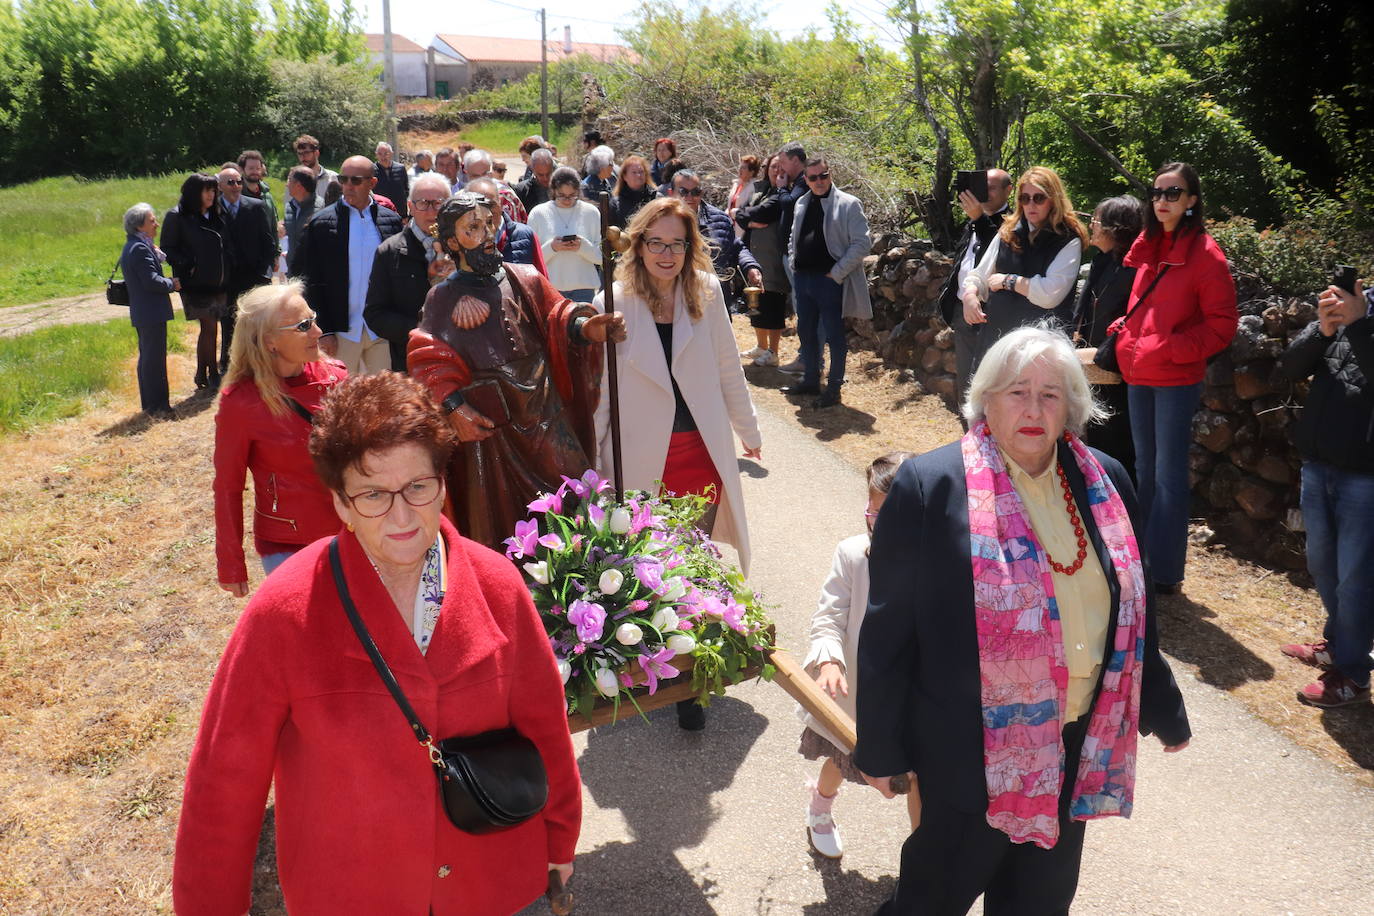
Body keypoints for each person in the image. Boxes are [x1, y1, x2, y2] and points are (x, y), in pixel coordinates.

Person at [174, 371, 582, 915]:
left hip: (494, 886)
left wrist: (559, 842)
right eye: (371, 494)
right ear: (340, 503)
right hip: (352, 895)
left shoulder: (497, 585)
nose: (401, 515)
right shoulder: (283, 612)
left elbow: (545, 727)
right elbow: (223, 782)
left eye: (417, 486)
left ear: (442, 481)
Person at [855, 325, 1192, 916]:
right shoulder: (930, 487)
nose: (1033, 409)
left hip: (1074, 745)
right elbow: (887, 632)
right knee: (931, 901)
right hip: (967, 754)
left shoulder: (1106, 482)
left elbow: (1134, 611)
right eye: (1017, 391)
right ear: (985, 399)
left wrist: (1163, 706)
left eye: (1051, 394)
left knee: (1037, 904)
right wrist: (881, 747)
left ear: (1073, 408)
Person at [591, 197, 763, 732]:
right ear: (638, 245)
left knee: (698, 560)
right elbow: (602, 389)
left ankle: (696, 680)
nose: (667, 254)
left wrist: (748, 430)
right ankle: (662, 662)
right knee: (654, 565)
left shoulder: (706, 294)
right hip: (644, 452)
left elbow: (728, 368)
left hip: (699, 450)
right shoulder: (615, 301)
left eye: (677, 244)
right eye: (656, 242)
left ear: (691, 249)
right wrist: (596, 455)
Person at [407, 191, 623, 550]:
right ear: (451, 242)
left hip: (544, 410)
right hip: (491, 427)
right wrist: (455, 407)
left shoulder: (524, 276)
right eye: (473, 228)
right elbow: (426, 357)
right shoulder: (442, 298)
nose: (488, 233)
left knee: (573, 492)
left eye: (490, 223)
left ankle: (590, 574)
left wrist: (588, 329)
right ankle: (515, 588)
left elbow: (559, 314)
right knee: (499, 514)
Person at [1115, 162, 1237, 594]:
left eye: (1173, 193)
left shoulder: (1205, 254)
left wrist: (1165, 348)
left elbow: (1222, 326)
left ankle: (1164, 571)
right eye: (1157, 192)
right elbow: (1146, 311)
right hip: (1141, 372)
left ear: (1191, 201)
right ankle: (1141, 559)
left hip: (1173, 378)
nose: (1162, 200)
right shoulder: (1150, 245)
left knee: (1167, 476)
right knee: (1145, 469)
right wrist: (1128, 331)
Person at [798, 450, 919, 860]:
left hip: (915, 692)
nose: (880, 524)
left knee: (919, 777)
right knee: (844, 753)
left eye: (893, 514)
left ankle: (921, 857)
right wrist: (829, 659)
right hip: (858, 691)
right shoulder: (854, 554)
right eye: (874, 512)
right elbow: (829, 614)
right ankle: (820, 807)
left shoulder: (938, 558)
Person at [1276, 278, 1374, 707]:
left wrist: (1358, 324)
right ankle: (1337, 644)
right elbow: (1290, 368)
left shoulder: (1361, 316)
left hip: (1366, 474)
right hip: (1321, 463)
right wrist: (1323, 328)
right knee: (1323, 565)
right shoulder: (1357, 304)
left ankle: (1353, 671)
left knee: (1356, 579)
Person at [213, 282, 346, 594]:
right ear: (269, 341)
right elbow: (227, 487)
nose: (318, 332)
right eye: (303, 326)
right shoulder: (241, 403)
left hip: (352, 534)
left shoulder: (337, 378)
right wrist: (231, 562)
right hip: (288, 545)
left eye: (313, 319)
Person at [959, 166, 1085, 373]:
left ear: (1053, 199)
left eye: (1039, 198)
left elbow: (1049, 295)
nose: (1030, 204)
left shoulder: (1068, 239)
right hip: (997, 340)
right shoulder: (1008, 229)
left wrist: (1008, 281)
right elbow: (980, 275)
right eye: (1025, 198)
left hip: (1040, 347)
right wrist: (970, 294)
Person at [293, 155, 404, 376]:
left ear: (372, 183)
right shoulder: (321, 224)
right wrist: (323, 329)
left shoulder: (391, 221)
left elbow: (398, 277)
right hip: (340, 333)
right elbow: (307, 279)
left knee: (382, 401)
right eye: (344, 179)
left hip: (380, 331)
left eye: (356, 180)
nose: (348, 186)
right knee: (339, 400)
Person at [784, 157, 873, 409]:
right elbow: (794, 238)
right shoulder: (801, 202)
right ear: (806, 180)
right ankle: (811, 380)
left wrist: (837, 273)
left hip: (830, 280)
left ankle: (834, 388)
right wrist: (793, 263)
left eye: (823, 175)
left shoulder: (848, 203)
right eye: (813, 178)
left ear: (830, 174)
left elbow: (861, 244)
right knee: (806, 331)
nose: (819, 181)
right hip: (803, 278)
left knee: (834, 336)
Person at [1073, 195, 1144, 480]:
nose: (1091, 224)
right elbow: (1085, 307)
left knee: (1117, 448)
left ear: (1117, 228)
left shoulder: (1137, 269)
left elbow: (1133, 321)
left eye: (1097, 220)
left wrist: (1103, 355)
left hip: (1118, 372)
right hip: (1092, 369)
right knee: (1095, 444)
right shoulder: (1102, 261)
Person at [937, 168, 1013, 403]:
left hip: (990, 314)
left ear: (1008, 191)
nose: (985, 193)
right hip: (963, 309)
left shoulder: (1013, 222)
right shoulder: (973, 220)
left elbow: (1000, 252)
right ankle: (969, 436)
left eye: (992, 187)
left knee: (988, 385)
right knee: (966, 386)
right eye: (983, 187)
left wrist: (979, 219)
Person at [364, 174, 454, 373]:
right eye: (423, 203)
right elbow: (374, 315)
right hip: (411, 362)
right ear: (410, 207)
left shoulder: (464, 246)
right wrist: (420, 329)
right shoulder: (389, 251)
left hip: (462, 359)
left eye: (438, 203)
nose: (431, 211)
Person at [160, 172, 229, 390]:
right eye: (207, 190)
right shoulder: (176, 216)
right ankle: (212, 373)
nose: (212, 195)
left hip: (218, 281)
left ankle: (203, 372)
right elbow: (167, 248)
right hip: (195, 283)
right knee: (208, 325)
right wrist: (189, 264)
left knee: (212, 327)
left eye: (213, 190)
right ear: (194, 192)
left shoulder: (216, 213)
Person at [120, 202, 180, 420]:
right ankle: (158, 406)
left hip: (146, 312)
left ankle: (151, 405)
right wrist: (172, 284)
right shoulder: (138, 249)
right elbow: (151, 281)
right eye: (152, 221)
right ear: (139, 226)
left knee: (149, 358)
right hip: (151, 311)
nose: (157, 224)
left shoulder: (138, 245)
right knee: (154, 360)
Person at [217, 163, 278, 373]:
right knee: (229, 323)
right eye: (230, 182)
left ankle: (259, 366)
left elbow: (268, 241)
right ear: (220, 186)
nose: (236, 186)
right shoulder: (213, 210)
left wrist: (265, 270)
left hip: (254, 276)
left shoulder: (255, 206)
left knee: (257, 324)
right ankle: (229, 367)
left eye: (239, 182)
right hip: (228, 279)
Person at [670, 169, 762, 302]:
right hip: (675, 300)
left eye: (695, 192)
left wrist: (750, 266)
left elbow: (735, 246)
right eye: (683, 192)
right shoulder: (660, 222)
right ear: (671, 193)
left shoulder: (720, 219)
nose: (690, 197)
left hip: (715, 300)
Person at [738, 155, 790, 367]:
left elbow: (763, 212)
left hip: (773, 257)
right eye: (772, 166)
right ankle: (761, 345)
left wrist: (746, 216)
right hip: (755, 255)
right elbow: (741, 214)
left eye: (780, 166)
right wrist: (748, 220)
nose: (775, 170)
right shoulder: (760, 189)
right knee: (756, 303)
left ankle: (773, 351)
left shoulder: (782, 194)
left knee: (773, 305)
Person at [527, 166, 602, 303]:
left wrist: (582, 246)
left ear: (578, 192)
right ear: (553, 191)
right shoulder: (538, 213)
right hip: (551, 288)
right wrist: (553, 247)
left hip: (584, 289)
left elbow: (601, 257)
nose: (567, 200)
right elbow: (531, 259)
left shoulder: (591, 213)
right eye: (561, 196)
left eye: (572, 195)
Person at [466, 176, 547, 275]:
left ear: (500, 203)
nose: (487, 212)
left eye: (491, 205)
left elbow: (541, 282)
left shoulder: (525, 235)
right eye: (479, 206)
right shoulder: (463, 240)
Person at [281, 166, 317, 275]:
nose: (287, 184)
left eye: (289, 180)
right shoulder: (289, 207)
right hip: (292, 272)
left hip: (312, 274)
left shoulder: (320, 210)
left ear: (299, 186)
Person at [610, 154, 659, 228]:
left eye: (641, 172)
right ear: (625, 176)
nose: (639, 175)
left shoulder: (656, 198)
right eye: (634, 172)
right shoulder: (615, 204)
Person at [293, 134, 338, 209]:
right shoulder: (294, 180)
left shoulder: (333, 178)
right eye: (299, 154)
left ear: (317, 153)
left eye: (306, 153)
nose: (302, 157)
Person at [236, 149, 278, 229]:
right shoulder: (236, 194)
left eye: (258, 168)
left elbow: (274, 225)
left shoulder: (267, 195)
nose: (255, 172)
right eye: (251, 168)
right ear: (241, 169)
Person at [373, 141, 410, 218]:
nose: (383, 157)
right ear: (376, 155)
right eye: (380, 154)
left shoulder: (400, 168)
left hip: (400, 213)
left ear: (392, 153)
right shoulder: (371, 170)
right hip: (380, 212)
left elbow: (406, 189)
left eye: (386, 153)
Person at [515, 148, 555, 212]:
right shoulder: (522, 191)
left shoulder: (561, 188)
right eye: (540, 175)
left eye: (548, 174)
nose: (545, 178)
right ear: (532, 169)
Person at [727, 154, 761, 223]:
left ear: (751, 172)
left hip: (742, 229)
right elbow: (730, 205)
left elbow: (750, 210)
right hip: (730, 225)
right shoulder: (736, 184)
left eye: (744, 168)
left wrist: (735, 213)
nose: (740, 169)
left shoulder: (754, 188)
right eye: (740, 166)